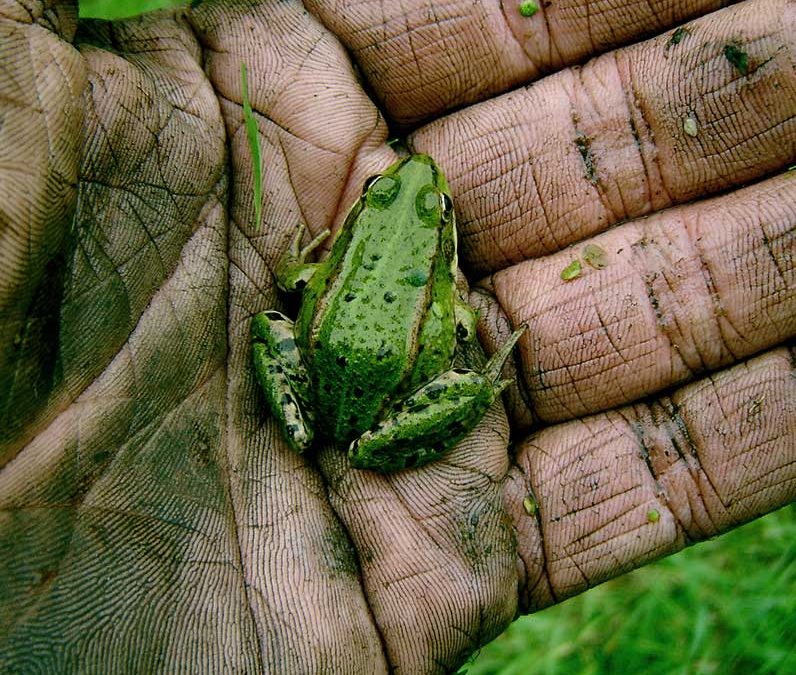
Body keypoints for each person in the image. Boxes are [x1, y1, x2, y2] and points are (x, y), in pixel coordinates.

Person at [0, 0, 792, 672]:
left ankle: (352, 414)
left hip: (318, 382)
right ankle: (472, 399)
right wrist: (482, 380)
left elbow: (297, 277)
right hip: (379, 410)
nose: (423, 191)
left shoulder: (346, 251)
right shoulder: (441, 287)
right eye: (404, 196)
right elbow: (452, 324)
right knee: (469, 382)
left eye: (422, 203)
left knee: (276, 324)